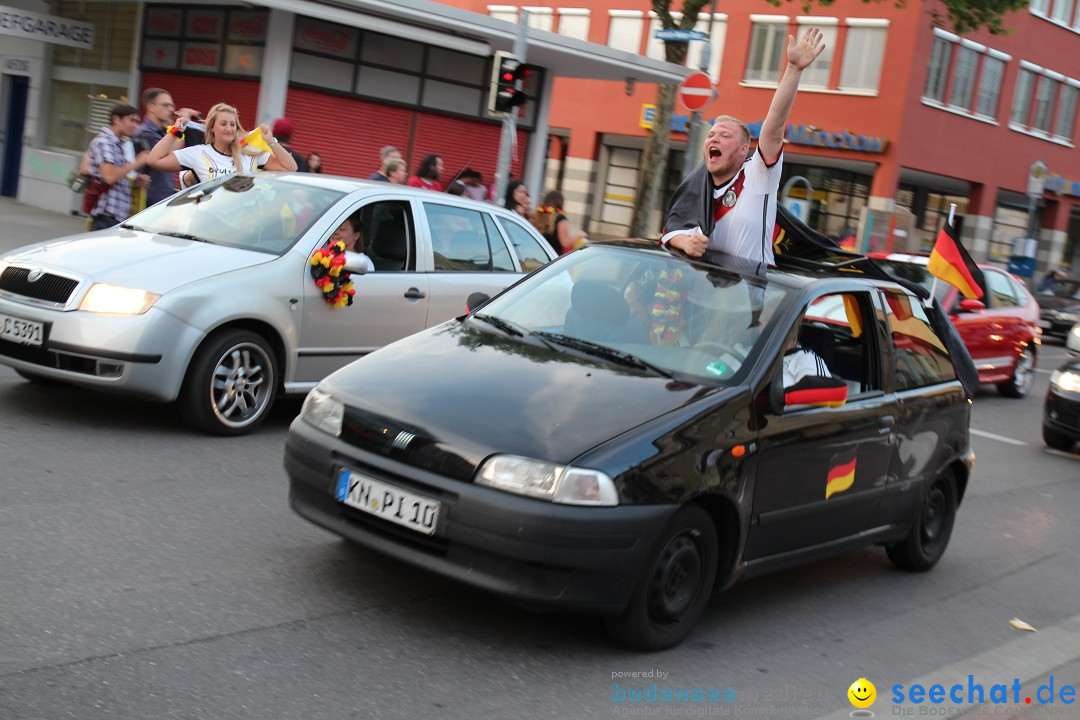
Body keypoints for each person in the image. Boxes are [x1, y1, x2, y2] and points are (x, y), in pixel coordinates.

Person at [662, 27, 825, 265]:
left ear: (742, 150)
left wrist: (793, 69)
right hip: (704, 297)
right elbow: (672, 229)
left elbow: (774, 127)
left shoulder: (757, 175)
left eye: (725, 135)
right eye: (711, 135)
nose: (714, 139)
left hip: (750, 295)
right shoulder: (696, 186)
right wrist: (686, 242)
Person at [147, 102, 297, 187]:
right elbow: (155, 160)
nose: (229, 128)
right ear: (212, 128)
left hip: (242, 231)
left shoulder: (249, 153)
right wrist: (176, 131)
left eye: (233, 124)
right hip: (206, 230)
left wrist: (271, 142)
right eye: (223, 124)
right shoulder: (198, 153)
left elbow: (290, 167)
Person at [85, 103, 151, 231]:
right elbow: (109, 176)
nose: (135, 126)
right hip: (106, 216)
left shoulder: (118, 144)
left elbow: (117, 176)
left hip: (116, 217)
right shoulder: (104, 142)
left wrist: (134, 182)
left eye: (137, 122)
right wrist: (137, 163)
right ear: (116, 119)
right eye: (132, 120)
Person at [133, 88, 200, 206]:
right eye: (166, 105)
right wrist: (181, 125)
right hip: (147, 202)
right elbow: (166, 155)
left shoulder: (164, 132)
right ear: (151, 107)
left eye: (172, 105)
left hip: (162, 199)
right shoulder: (145, 133)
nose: (171, 109)